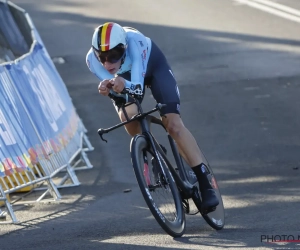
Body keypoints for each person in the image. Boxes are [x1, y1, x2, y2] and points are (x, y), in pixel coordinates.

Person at [86, 22, 219, 210]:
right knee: (128, 116)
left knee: (173, 125)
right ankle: (154, 150)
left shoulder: (135, 42)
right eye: (102, 57)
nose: (108, 64)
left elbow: (138, 89)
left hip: (153, 68)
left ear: (123, 49)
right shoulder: (91, 60)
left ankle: (205, 180)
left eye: (113, 56)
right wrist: (107, 87)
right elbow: (119, 92)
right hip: (125, 82)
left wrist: (122, 83)